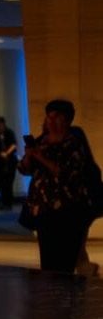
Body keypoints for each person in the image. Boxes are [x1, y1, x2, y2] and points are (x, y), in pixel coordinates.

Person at [20, 99, 100, 276]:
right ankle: (51, 300)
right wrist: (28, 156)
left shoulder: (74, 142)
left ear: (67, 120)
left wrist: (40, 157)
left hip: (68, 211)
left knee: (64, 265)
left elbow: (66, 173)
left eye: (57, 117)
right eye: (49, 117)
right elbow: (25, 169)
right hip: (43, 211)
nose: (52, 121)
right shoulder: (42, 140)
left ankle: (68, 301)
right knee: (48, 263)